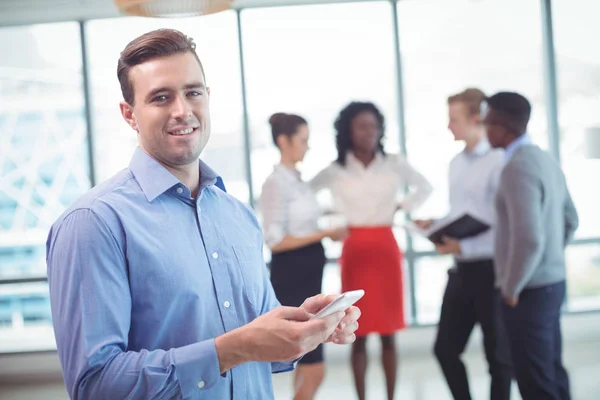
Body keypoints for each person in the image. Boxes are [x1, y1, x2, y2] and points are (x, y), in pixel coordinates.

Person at [45, 29, 360, 400]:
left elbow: (261, 347)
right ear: (129, 114)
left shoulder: (238, 216)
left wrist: (303, 328)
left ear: (207, 98)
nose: (182, 110)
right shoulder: (93, 224)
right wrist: (233, 348)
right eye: (161, 97)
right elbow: (95, 385)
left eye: (193, 92)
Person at [310, 101, 432, 400]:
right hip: (355, 251)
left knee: (389, 334)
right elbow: (304, 198)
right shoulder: (336, 169)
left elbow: (424, 187)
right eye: (361, 126)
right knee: (358, 331)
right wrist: (330, 223)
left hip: (385, 248)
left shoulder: (393, 162)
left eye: (374, 126)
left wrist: (402, 207)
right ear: (348, 131)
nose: (369, 132)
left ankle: (391, 397)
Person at [415, 88, 513, 400]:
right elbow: (463, 214)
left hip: (491, 271)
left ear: (476, 119)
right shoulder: (456, 163)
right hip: (461, 272)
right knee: (444, 349)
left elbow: (505, 224)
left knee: (498, 357)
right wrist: (437, 225)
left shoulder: (499, 161)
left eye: (453, 119)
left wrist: (463, 247)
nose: (449, 127)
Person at [484, 91, 579, 400]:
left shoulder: (517, 168)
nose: (484, 127)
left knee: (535, 381)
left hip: (528, 292)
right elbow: (571, 219)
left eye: (487, 120)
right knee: (551, 371)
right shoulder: (544, 158)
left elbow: (529, 238)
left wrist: (512, 287)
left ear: (502, 124)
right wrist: (549, 260)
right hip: (552, 283)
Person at [259, 112, 347, 400]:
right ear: (284, 141)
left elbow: (304, 221)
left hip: (309, 274)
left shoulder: (298, 180)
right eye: (303, 140)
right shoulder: (276, 183)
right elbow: (275, 241)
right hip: (292, 276)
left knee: (304, 363)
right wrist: (323, 235)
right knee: (313, 367)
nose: (308, 147)